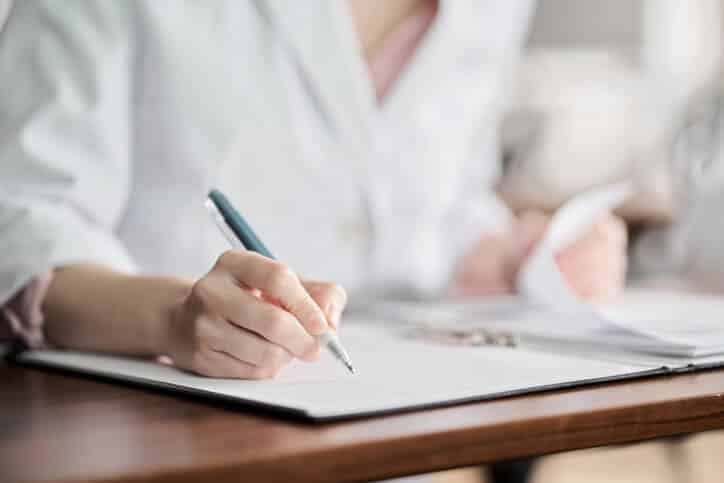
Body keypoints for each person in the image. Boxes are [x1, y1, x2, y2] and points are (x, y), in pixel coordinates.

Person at [0, 0, 627, 379]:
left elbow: (441, 198)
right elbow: (24, 221)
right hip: (157, 432)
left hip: (393, 424)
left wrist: (522, 256)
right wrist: (170, 318)